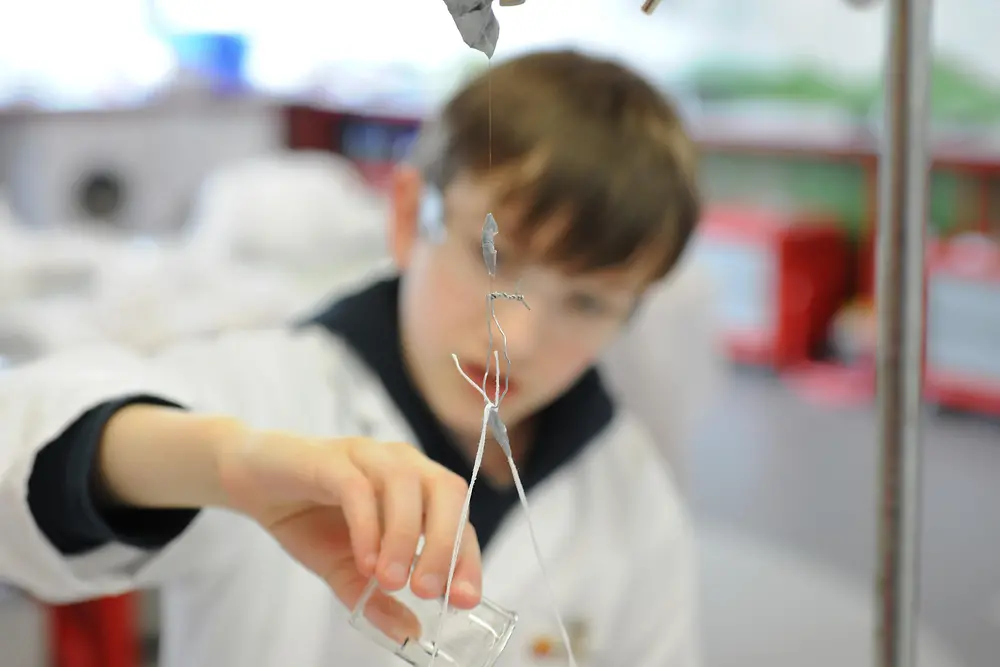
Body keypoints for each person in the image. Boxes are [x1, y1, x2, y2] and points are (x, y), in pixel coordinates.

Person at [0, 49, 701, 667]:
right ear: (405, 218)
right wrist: (223, 463)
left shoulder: (632, 494)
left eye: (586, 303)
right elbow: (19, 444)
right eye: (493, 259)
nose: (513, 340)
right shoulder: (270, 396)